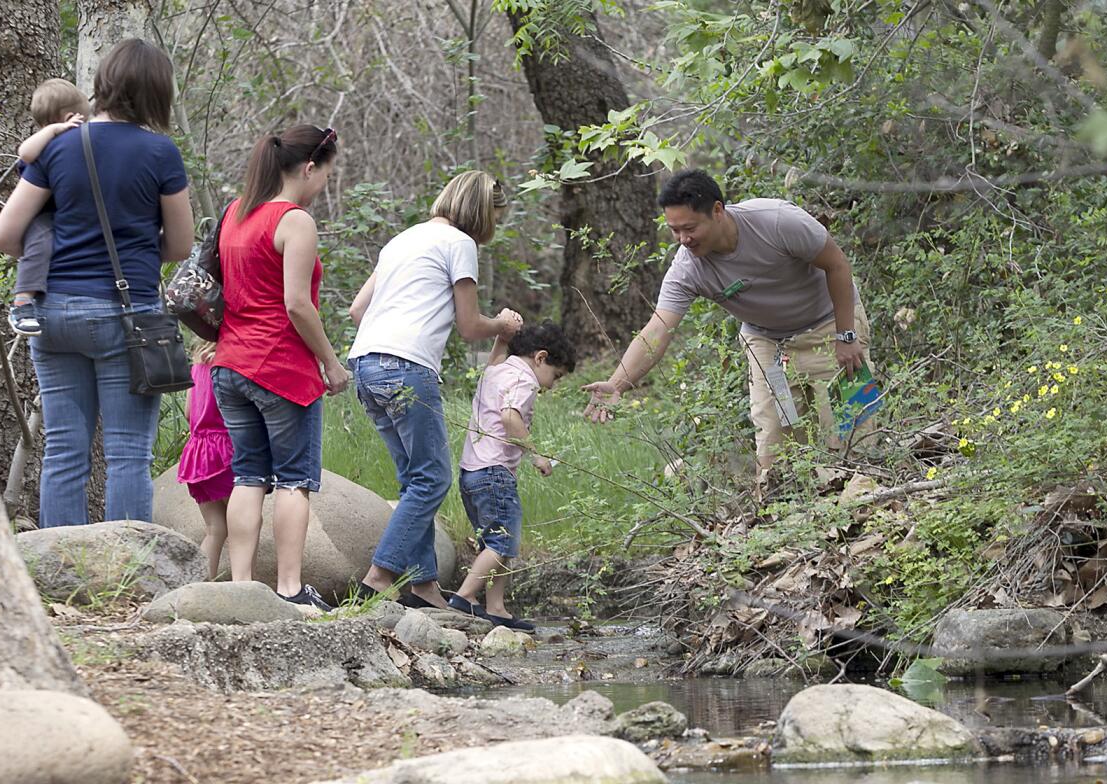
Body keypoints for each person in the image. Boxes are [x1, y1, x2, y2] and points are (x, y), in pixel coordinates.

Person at [0, 39, 195, 527]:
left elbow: (4, 236)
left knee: (64, 448)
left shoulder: (58, 145)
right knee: (128, 453)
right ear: (156, 93)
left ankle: (62, 573)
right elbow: (181, 246)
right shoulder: (160, 152)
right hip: (128, 315)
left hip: (54, 313)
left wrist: (55, 259)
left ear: (102, 85)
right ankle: (127, 574)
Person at [583, 169, 875, 486]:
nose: (683, 239)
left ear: (718, 211)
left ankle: (862, 502)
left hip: (830, 327)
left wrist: (846, 335)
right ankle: (785, 520)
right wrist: (618, 383)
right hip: (771, 347)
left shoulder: (776, 221)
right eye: (674, 230)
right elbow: (658, 329)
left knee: (852, 433)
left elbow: (837, 264)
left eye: (690, 228)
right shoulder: (687, 268)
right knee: (780, 440)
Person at [348, 170, 522, 609]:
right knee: (434, 478)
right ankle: (378, 575)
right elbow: (469, 327)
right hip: (407, 367)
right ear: (483, 212)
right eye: (495, 217)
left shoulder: (403, 240)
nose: (493, 228)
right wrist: (502, 325)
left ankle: (424, 587)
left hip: (366, 362)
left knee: (415, 480)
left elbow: (356, 310)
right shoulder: (460, 244)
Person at [211, 124, 348, 612]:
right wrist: (330, 363)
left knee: (248, 475)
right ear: (309, 167)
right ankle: (290, 590)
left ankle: (242, 587)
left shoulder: (234, 214)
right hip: (281, 369)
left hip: (230, 366)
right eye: (326, 175)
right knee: (293, 479)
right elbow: (297, 305)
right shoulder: (294, 221)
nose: (324, 185)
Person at [448, 323, 576, 630]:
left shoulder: (497, 370)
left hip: (472, 472)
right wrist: (536, 453)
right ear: (540, 358)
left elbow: (492, 361)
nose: (552, 385)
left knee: (495, 543)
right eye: (556, 376)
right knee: (503, 541)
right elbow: (509, 416)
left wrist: (500, 339)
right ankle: (465, 597)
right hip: (494, 473)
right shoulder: (525, 379)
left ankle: (497, 607)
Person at [6, 78, 89, 337]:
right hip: (43, 217)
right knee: (39, 245)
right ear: (67, 117)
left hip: (66, 214)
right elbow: (25, 152)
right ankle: (22, 302)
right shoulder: (43, 144)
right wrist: (54, 130)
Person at [177, 339, 233, 580]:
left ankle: (199, 586)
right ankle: (245, 585)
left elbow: (189, 412)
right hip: (225, 451)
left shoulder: (197, 366)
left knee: (214, 529)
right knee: (244, 526)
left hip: (197, 453)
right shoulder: (232, 363)